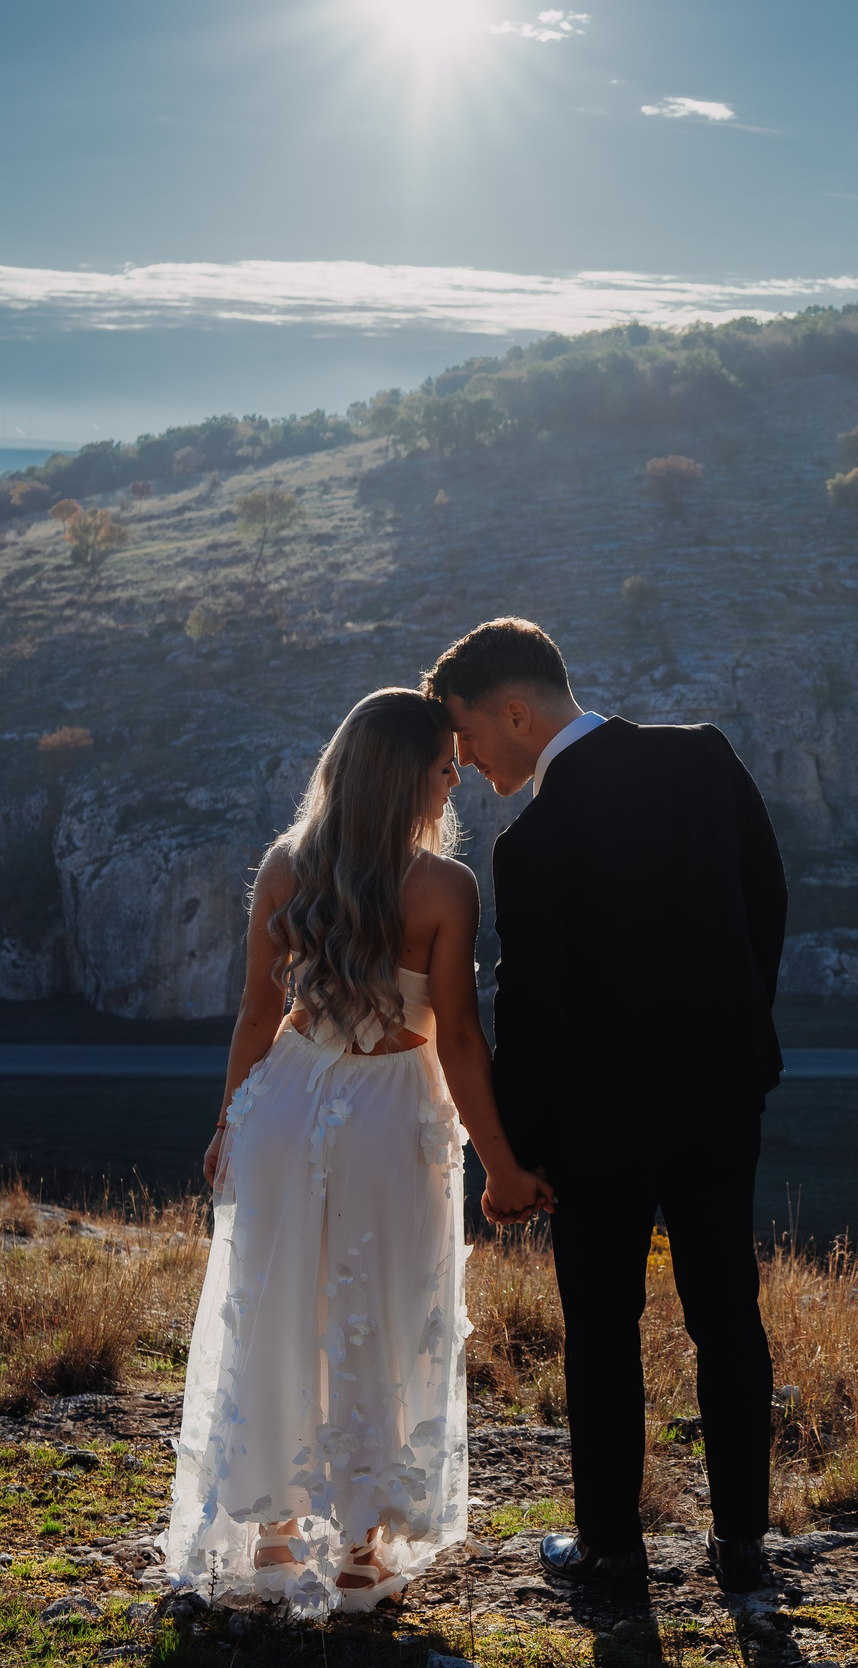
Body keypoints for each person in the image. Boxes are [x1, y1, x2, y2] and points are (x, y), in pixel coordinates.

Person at [163, 689, 551, 1617]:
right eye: (443, 763)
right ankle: (364, 1551)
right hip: (388, 1115)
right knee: (382, 1310)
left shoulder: (286, 866)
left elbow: (260, 1016)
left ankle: (271, 1534)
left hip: (286, 1104)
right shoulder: (445, 887)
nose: (457, 775)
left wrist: (228, 1124)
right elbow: (457, 1036)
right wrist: (500, 1164)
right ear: (406, 774)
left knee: (282, 1303)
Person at [423, 618, 788, 1594]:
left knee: (601, 1327)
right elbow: (768, 898)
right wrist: (738, 1032)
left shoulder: (533, 840)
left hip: (595, 1126)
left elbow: (532, 1013)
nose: (464, 759)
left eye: (466, 736)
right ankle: (744, 1548)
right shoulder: (703, 758)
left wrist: (517, 1155)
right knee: (728, 1311)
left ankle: (610, 1549)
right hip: (719, 1097)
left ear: (513, 709)